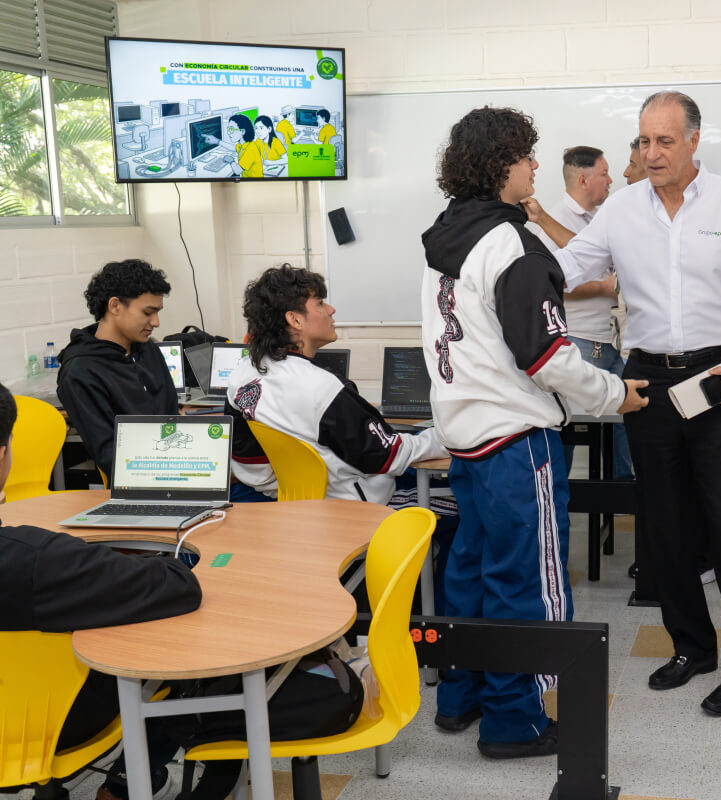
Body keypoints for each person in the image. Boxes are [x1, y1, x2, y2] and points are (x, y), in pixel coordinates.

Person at [529, 90, 721, 716]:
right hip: (647, 381)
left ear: (695, 140)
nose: (652, 152)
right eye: (644, 141)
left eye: (665, 140)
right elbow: (565, 267)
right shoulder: (620, 210)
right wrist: (501, 263)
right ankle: (692, 646)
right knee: (663, 525)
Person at [420, 106, 647, 757]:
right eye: (527, 157)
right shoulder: (512, 246)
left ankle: (460, 698)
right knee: (526, 585)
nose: (536, 167)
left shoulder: (444, 236)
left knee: (471, 571)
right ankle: (513, 721)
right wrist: (614, 394)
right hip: (517, 444)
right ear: (501, 167)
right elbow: (547, 357)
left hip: (465, 437)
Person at [0, 381, 202, 800]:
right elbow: (178, 587)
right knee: (173, 649)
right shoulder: (41, 560)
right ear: (2, 454)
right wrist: (134, 562)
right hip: (45, 727)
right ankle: (127, 783)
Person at [227, 264, 448, 504]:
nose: (331, 310)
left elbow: (247, 459)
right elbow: (387, 455)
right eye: (320, 303)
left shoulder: (241, 376)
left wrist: (286, 488)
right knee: (458, 498)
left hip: (289, 501)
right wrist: (446, 436)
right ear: (294, 319)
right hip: (353, 504)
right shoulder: (323, 388)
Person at [531, 146, 632, 480]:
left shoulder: (602, 219)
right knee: (568, 429)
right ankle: (559, 500)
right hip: (578, 341)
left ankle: (622, 498)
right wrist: (604, 289)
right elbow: (548, 283)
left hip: (610, 341)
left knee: (627, 421)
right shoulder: (551, 220)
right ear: (584, 179)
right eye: (604, 174)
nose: (612, 180)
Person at [57, 259, 177, 480]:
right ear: (115, 306)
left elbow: (172, 416)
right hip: (140, 481)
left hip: (178, 467)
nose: (156, 322)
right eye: (148, 312)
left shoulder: (147, 349)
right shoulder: (81, 371)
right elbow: (109, 454)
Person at [203, 113, 263, 178]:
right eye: (228, 129)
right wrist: (217, 141)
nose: (228, 133)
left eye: (231, 129)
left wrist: (231, 160)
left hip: (254, 184)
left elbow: (237, 171)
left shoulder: (250, 149)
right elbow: (234, 148)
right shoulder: (244, 144)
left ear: (242, 131)